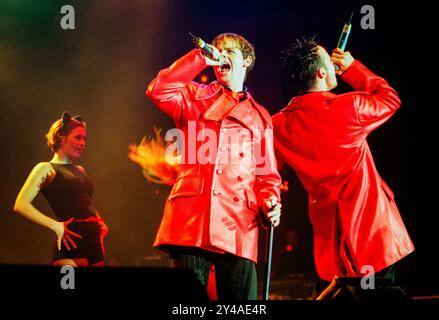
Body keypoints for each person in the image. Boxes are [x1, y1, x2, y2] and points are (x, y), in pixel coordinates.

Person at [145, 33, 282, 300]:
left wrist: (271, 201)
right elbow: (157, 89)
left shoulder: (260, 116)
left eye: (230, 51)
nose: (221, 55)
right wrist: (199, 58)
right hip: (192, 219)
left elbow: (267, 176)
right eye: (218, 50)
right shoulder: (193, 95)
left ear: (247, 61)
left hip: (238, 223)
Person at [272, 37, 414, 294]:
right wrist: (352, 67)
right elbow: (390, 98)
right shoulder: (351, 106)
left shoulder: (278, 126)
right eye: (329, 60)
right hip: (374, 234)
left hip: (330, 241)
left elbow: (270, 171)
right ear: (322, 72)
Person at [14, 112, 108, 267]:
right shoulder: (46, 168)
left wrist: (100, 221)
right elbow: (20, 204)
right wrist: (55, 225)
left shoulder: (80, 169)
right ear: (61, 137)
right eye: (78, 137)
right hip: (71, 238)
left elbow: (85, 200)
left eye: (84, 138)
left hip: (93, 239)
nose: (83, 143)